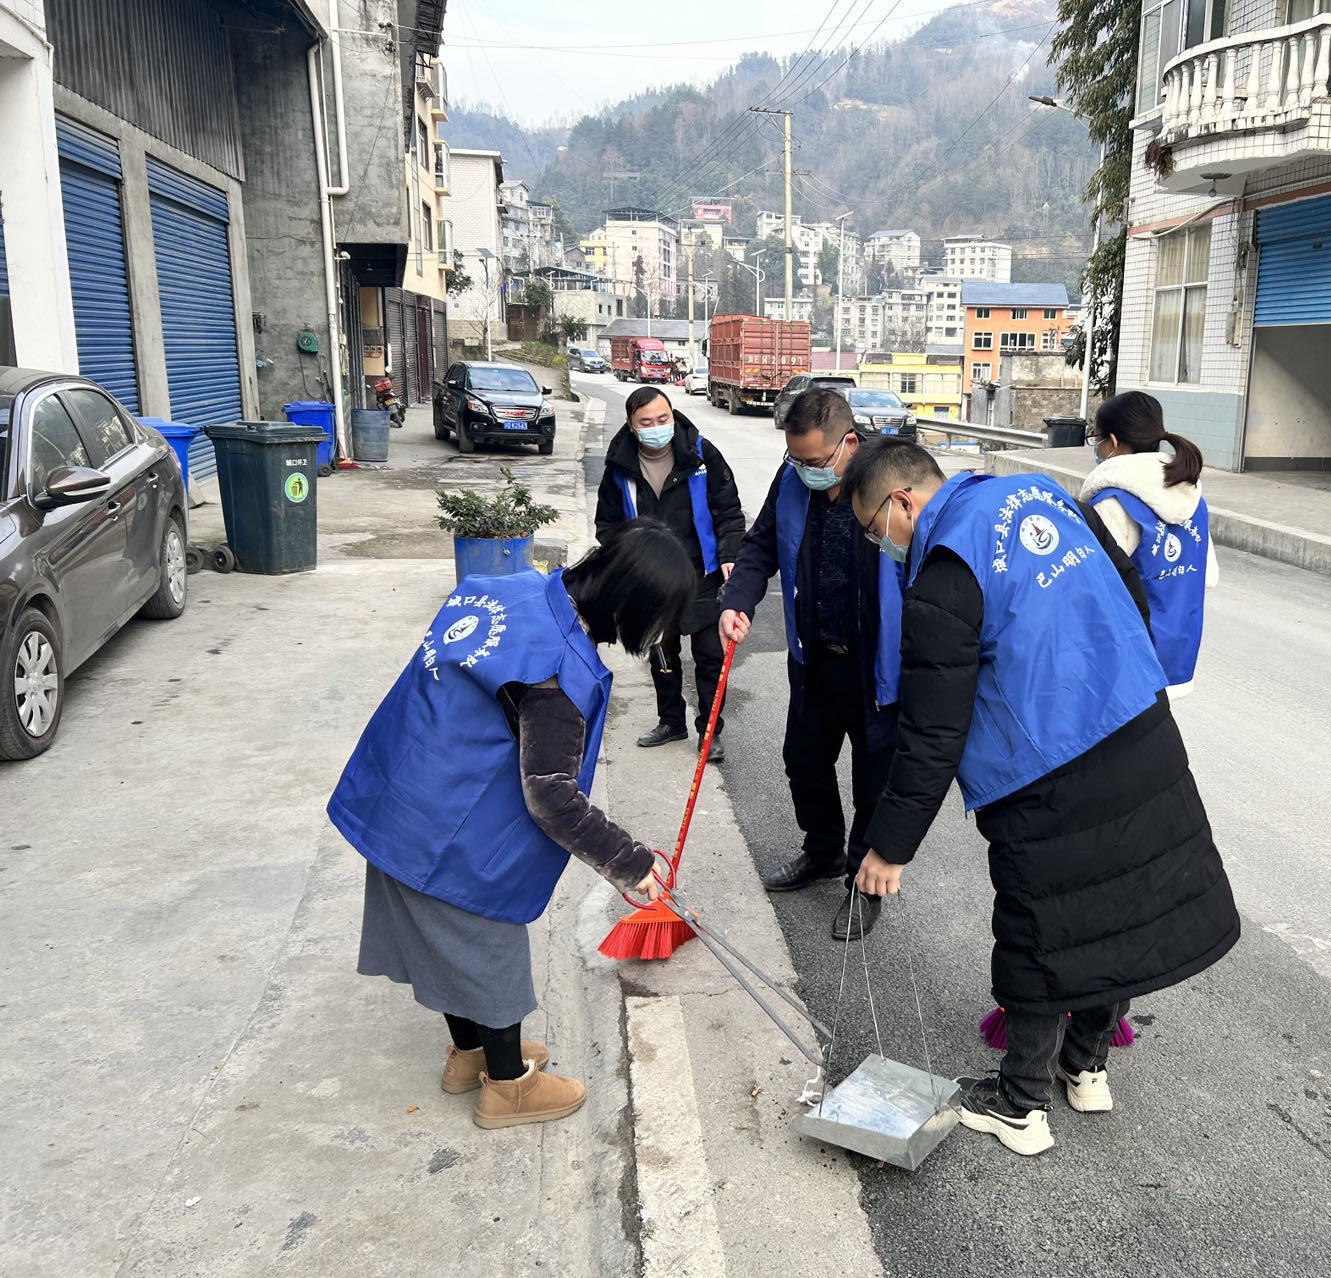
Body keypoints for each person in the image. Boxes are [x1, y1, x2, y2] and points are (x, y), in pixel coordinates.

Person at [843, 439, 1240, 1157]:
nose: (882, 546)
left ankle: (1020, 1104)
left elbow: (933, 731)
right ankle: (1086, 1066)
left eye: (875, 530)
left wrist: (887, 847)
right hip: (1138, 727)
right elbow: (1130, 585)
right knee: (1122, 911)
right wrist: (1119, 667)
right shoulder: (1046, 493)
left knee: (1043, 928)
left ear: (902, 502)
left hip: (1045, 771)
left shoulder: (943, 573)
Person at [328, 522, 697, 1130]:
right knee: (484, 945)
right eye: (659, 620)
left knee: (441, 943)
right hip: (447, 824)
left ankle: (469, 1055)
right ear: (633, 604)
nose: (657, 635)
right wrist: (631, 863)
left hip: (398, 789)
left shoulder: (510, 588)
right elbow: (550, 796)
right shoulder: (557, 673)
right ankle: (508, 1087)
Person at [719, 389, 903, 940]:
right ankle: (822, 850)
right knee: (803, 762)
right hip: (815, 657)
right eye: (792, 460)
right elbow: (759, 547)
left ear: (849, 443)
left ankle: (862, 884)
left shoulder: (893, 481)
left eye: (814, 462)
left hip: (876, 667)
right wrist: (735, 603)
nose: (802, 472)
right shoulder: (794, 477)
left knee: (874, 781)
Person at [595, 386, 745, 762]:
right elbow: (607, 524)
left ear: (673, 415)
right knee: (662, 653)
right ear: (632, 426)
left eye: (663, 419)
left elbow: (729, 511)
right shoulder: (619, 466)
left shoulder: (701, 454)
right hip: (654, 580)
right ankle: (671, 720)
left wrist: (729, 554)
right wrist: (627, 560)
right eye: (646, 422)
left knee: (711, 655)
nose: (657, 427)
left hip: (703, 572)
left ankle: (710, 731)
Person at [1080, 391, 1218, 694]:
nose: (1097, 448)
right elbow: (1208, 577)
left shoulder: (1114, 503)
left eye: (1097, 439)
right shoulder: (1193, 499)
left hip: (1123, 660)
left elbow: (1085, 587)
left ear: (1112, 443)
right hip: (1177, 653)